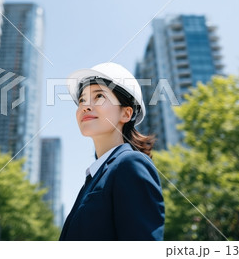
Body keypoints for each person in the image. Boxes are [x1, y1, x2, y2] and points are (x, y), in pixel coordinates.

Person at [59, 62, 165, 241]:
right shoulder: (93, 178)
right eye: (82, 99)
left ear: (126, 114)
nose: (85, 106)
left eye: (99, 96)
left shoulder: (130, 165)